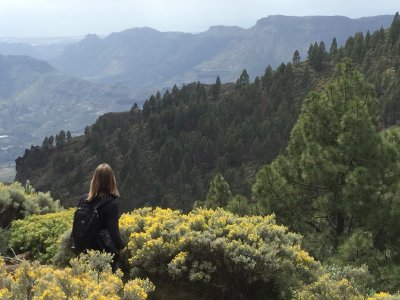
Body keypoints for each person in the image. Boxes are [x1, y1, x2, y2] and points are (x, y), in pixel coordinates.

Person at [84, 163, 125, 272]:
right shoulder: (112, 203)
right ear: (111, 180)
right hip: (104, 252)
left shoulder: (85, 200)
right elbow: (114, 231)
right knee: (108, 285)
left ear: (94, 179)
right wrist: (122, 247)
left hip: (86, 251)